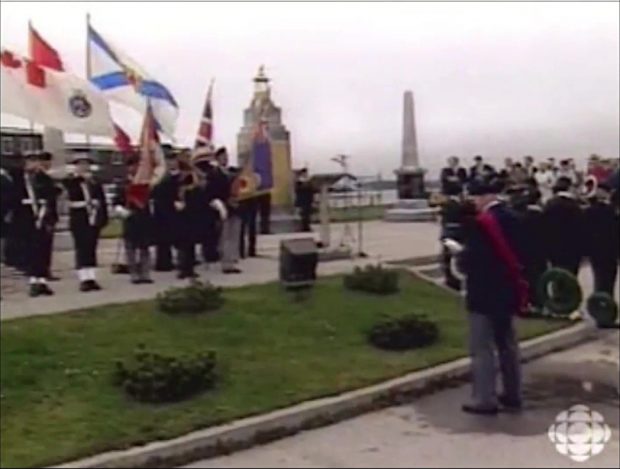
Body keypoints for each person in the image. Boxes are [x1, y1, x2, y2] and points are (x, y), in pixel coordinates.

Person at [452, 176, 525, 415]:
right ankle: (513, 394)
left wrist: (459, 256)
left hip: (484, 292)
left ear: (484, 197)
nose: (472, 202)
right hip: (509, 290)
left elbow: (474, 260)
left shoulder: (482, 223)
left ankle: (484, 399)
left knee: (482, 347)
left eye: (474, 197)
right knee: (508, 345)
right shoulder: (514, 218)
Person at [9, 151, 57, 297]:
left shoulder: (44, 179)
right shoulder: (18, 179)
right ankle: (33, 281)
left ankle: (42, 281)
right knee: (30, 251)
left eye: (36, 161)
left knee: (42, 250)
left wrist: (51, 219)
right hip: (26, 218)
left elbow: (51, 199)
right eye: (30, 161)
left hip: (42, 218)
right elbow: (12, 199)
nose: (34, 164)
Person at [62, 154, 109, 291]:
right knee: (81, 247)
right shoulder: (71, 181)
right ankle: (83, 278)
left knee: (91, 247)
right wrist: (79, 178)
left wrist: (102, 218)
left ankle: (91, 277)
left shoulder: (95, 182)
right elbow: (68, 192)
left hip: (93, 218)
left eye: (86, 164)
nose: (84, 167)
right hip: (79, 218)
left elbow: (101, 200)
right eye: (80, 164)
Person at [113, 156, 154, 284]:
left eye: (137, 166)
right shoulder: (123, 184)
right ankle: (134, 274)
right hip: (130, 218)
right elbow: (116, 202)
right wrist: (121, 211)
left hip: (144, 218)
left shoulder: (146, 183)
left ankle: (145, 273)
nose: (135, 168)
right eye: (132, 166)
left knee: (144, 247)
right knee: (130, 247)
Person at [543, 176, 584, 276]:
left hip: (554, 247)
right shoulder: (574, 205)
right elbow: (582, 226)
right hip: (573, 247)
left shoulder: (549, 204)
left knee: (557, 276)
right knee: (571, 277)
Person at [584, 183, 619, 296]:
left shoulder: (590, 210)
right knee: (608, 278)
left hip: (597, 249)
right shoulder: (613, 211)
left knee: (600, 277)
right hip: (610, 250)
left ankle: (599, 301)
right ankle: (607, 299)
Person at [439, 184, 476, 291]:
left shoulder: (448, 203)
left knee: (449, 257)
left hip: (449, 233)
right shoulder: (455, 204)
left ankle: (451, 278)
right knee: (452, 257)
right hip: (455, 234)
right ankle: (452, 280)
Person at [212, 147, 242, 274]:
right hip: (223, 209)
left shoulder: (230, 174)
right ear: (217, 159)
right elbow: (213, 193)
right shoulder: (214, 174)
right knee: (225, 237)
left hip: (235, 209)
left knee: (234, 236)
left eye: (226, 156)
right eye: (222, 157)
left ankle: (232, 261)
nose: (225, 159)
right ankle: (226, 264)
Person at [151, 152, 182, 272]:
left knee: (178, 238)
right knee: (163, 240)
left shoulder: (181, 176)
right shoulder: (160, 177)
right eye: (169, 160)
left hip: (177, 211)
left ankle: (181, 261)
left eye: (173, 160)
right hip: (163, 211)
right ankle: (163, 263)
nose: (171, 163)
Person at [39, 151, 61, 281]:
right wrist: (56, 190)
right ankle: (42, 270)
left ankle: (46, 269)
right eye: (47, 161)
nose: (49, 164)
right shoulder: (39, 176)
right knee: (43, 244)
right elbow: (46, 192)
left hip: (50, 213)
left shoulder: (47, 176)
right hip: (44, 214)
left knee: (47, 244)